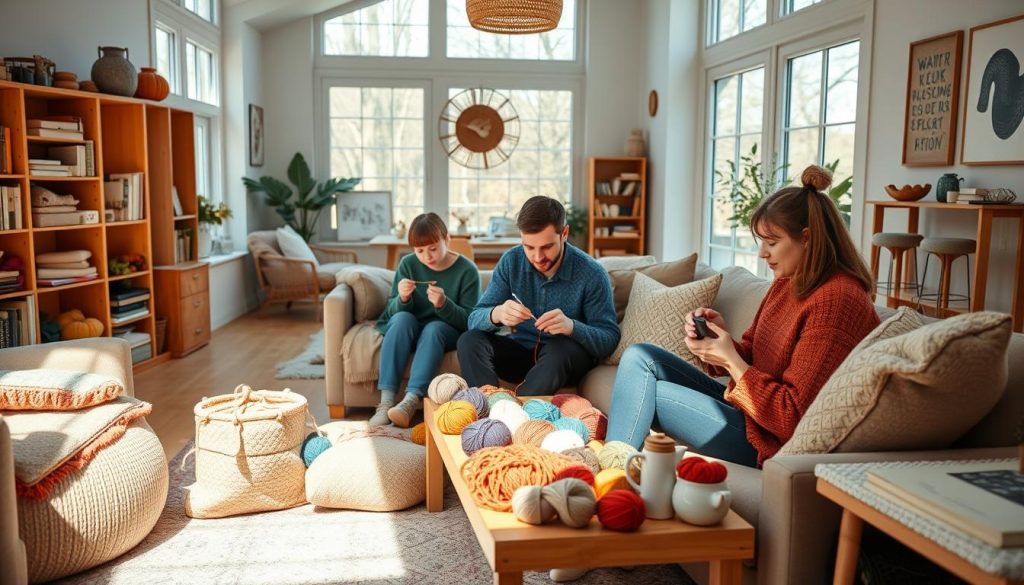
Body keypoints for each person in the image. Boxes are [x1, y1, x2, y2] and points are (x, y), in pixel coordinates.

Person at [605, 165, 881, 468]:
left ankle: (613, 475)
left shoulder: (838, 301)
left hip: (770, 438)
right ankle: (613, 465)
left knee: (652, 393)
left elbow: (791, 417)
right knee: (640, 356)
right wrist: (719, 342)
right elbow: (753, 356)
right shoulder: (788, 283)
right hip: (749, 411)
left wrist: (731, 361)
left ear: (807, 239)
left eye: (772, 242)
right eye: (761, 241)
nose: (763, 253)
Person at [457, 196, 619, 395]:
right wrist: (496, 314)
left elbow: (609, 339)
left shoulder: (592, 273)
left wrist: (572, 327)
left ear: (564, 233)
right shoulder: (511, 261)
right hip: (520, 354)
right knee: (469, 340)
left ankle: (520, 414)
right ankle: (486, 408)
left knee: (559, 348)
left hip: (565, 360)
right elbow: (473, 319)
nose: (537, 257)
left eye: (547, 247)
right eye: (529, 247)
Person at [370, 212, 480, 427]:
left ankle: (410, 402)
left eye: (433, 248)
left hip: (444, 331)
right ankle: (385, 403)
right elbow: (391, 312)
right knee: (402, 318)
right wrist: (402, 298)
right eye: (420, 251)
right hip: (409, 327)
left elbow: (470, 320)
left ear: (447, 239)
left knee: (434, 328)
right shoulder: (408, 264)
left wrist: (443, 305)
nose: (427, 256)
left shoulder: (467, 271)